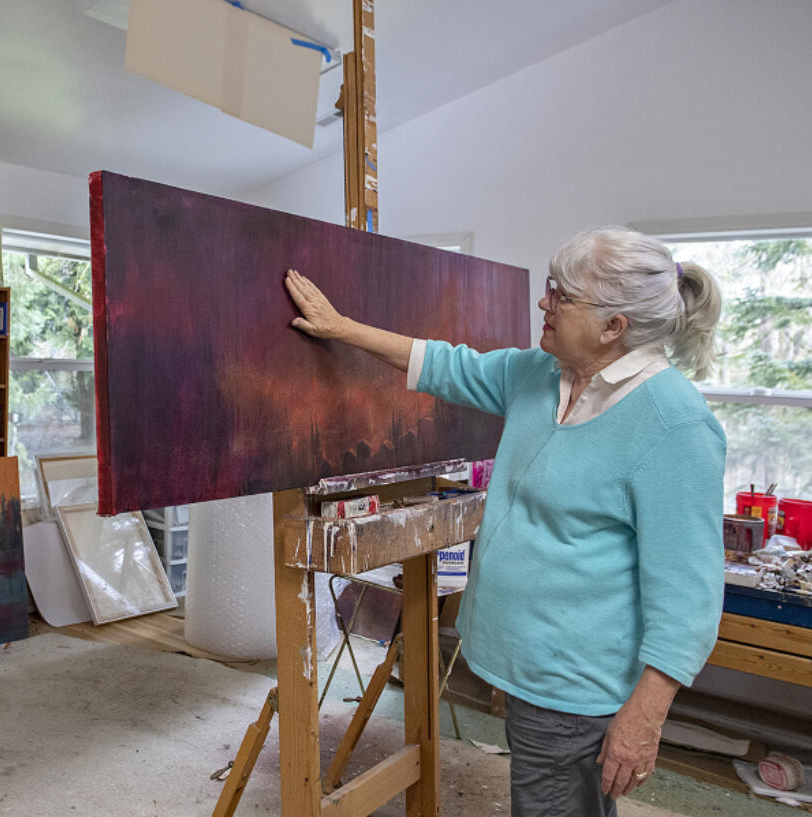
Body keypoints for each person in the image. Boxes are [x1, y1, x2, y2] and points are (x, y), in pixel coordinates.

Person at [284, 226, 726, 817]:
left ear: (613, 326)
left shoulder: (674, 424)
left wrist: (644, 716)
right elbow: (446, 365)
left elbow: (690, 592)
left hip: (575, 685)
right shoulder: (543, 375)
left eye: (561, 294)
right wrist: (343, 329)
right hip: (525, 664)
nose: (544, 301)